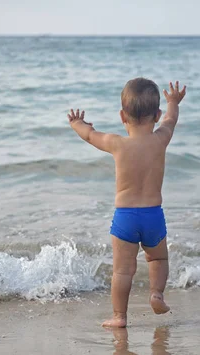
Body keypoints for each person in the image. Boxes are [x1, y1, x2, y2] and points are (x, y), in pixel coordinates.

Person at [67, 78, 187, 328]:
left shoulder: (116, 143)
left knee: (122, 271)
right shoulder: (160, 139)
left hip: (125, 217)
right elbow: (171, 119)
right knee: (158, 260)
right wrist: (173, 102)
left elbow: (90, 136)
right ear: (156, 115)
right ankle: (156, 294)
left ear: (122, 116)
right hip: (153, 215)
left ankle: (119, 317)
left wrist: (77, 123)